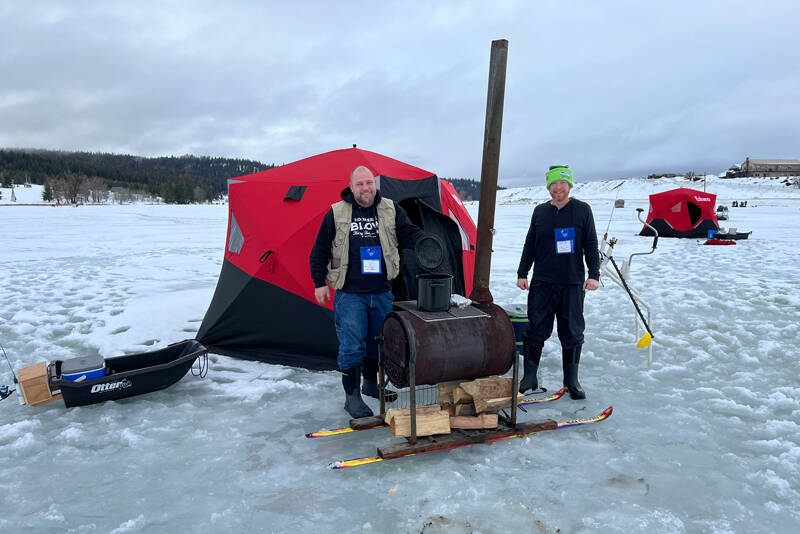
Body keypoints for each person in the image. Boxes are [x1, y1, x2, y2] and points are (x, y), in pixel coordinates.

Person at [310, 165, 423, 418]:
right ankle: (352, 398)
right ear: (351, 187)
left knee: (378, 342)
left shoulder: (391, 209)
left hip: (382, 290)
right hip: (351, 293)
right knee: (352, 346)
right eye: (360, 184)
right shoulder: (336, 212)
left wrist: (426, 243)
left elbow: (408, 233)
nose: (365, 188)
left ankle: (370, 384)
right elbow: (319, 250)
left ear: (375, 184)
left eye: (369, 182)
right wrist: (319, 282)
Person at [516, 165, 600, 399]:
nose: (558, 188)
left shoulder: (582, 210)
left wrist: (594, 274)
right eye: (553, 184)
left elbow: (591, 245)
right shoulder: (540, 212)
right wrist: (523, 272)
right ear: (548, 187)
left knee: (572, 332)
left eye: (562, 183)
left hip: (572, 283)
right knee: (535, 329)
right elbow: (530, 244)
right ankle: (530, 377)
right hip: (542, 282)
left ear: (569, 185)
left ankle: (571, 380)